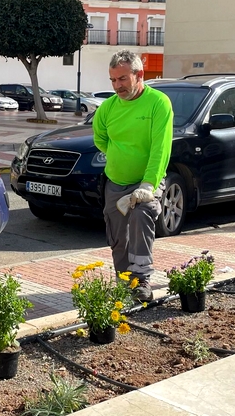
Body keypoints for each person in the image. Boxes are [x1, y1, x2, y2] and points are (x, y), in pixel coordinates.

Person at [92, 50, 173, 302]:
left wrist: (147, 184)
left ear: (139, 75)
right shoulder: (107, 108)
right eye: (113, 80)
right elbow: (100, 139)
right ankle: (123, 281)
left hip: (146, 180)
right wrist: (120, 155)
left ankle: (141, 280)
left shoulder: (158, 103)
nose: (117, 86)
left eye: (123, 79)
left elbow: (161, 148)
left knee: (142, 213)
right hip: (115, 181)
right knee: (118, 238)